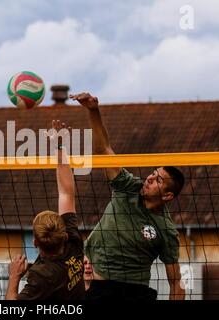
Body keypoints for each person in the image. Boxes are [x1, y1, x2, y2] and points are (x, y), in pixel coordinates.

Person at [70, 92, 186, 301]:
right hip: (98, 287)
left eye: (158, 180)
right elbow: (104, 149)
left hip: (134, 292)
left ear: (168, 196)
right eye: (153, 173)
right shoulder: (129, 186)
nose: (150, 178)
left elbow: (176, 283)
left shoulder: (166, 230)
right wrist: (93, 111)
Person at [6, 120, 85, 300]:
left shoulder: (41, 276)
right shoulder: (72, 243)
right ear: (64, 235)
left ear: (34, 242)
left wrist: (13, 277)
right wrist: (59, 145)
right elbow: (66, 193)